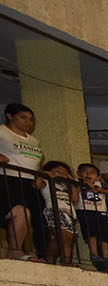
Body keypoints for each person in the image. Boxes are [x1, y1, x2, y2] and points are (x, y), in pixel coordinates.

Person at [0, 103, 44, 258]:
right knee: (15, 210)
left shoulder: (34, 140)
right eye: (23, 117)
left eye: (31, 119)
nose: (28, 122)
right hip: (7, 179)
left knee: (25, 213)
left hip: (28, 183)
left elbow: (33, 163)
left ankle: (16, 250)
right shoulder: (1, 131)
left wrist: (39, 176)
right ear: (9, 116)